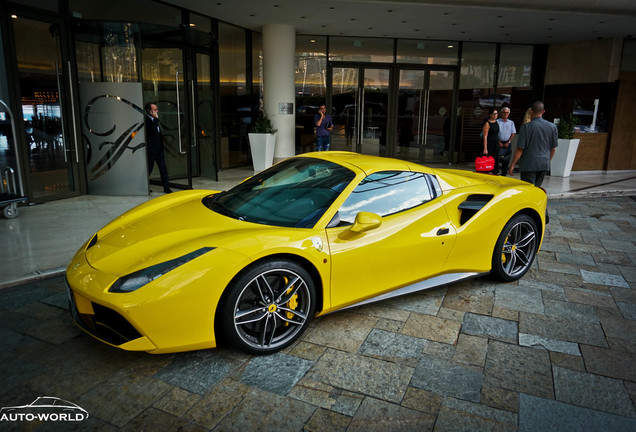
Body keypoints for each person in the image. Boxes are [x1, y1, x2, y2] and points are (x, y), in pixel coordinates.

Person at [507, 101, 558, 187]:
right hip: (544, 163)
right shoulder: (553, 127)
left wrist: (512, 164)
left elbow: (520, 148)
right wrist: (547, 160)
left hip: (529, 164)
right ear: (543, 111)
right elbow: (553, 149)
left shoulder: (526, 127)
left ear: (531, 111)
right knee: (537, 188)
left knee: (529, 189)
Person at [144, 102, 172, 193]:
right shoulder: (147, 120)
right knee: (149, 169)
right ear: (149, 111)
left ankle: (166, 187)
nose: (157, 111)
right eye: (155, 109)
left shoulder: (156, 120)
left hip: (159, 149)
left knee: (163, 168)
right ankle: (144, 187)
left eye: (157, 109)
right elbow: (152, 130)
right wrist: (155, 119)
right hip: (151, 150)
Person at [496, 107, 516, 176]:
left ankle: (504, 174)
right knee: (497, 158)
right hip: (498, 142)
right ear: (501, 113)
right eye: (504, 112)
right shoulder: (497, 121)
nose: (505, 114)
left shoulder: (511, 123)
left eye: (507, 112)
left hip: (507, 143)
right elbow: (495, 132)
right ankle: (496, 173)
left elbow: (513, 133)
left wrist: (509, 142)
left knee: (506, 159)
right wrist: (499, 142)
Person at [481, 108, 499, 173]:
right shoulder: (487, 123)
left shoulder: (496, 122)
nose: (495, 115)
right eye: (494, 114)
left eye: (496, 113)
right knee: (488, 160)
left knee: (495, 160)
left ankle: (495, 172)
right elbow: (485, 137)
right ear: (490, 114)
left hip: (496, 143)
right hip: (489, 143)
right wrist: (485, 148)